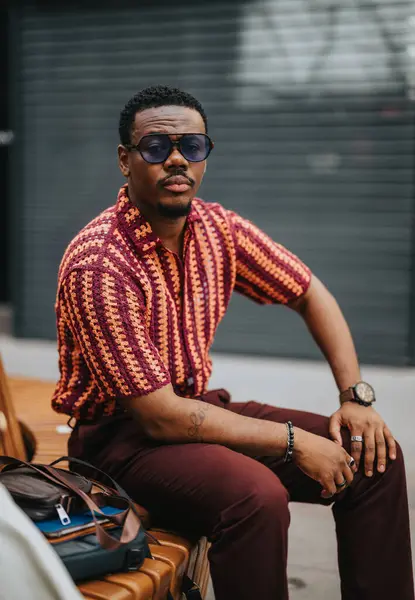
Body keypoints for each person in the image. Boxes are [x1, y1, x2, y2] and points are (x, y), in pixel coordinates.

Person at [52, 85, 414, 600]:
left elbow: (311, 293)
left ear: (205, 156)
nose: (176, 159)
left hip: (196, 411)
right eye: (156, 147)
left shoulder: (217, 228)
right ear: (125, 160)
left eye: (192, 146)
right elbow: (158, 416)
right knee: (255, 496)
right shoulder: (101, 264)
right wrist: (295, 440)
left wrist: (354, 398)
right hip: (120, 442)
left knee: (376, 457)